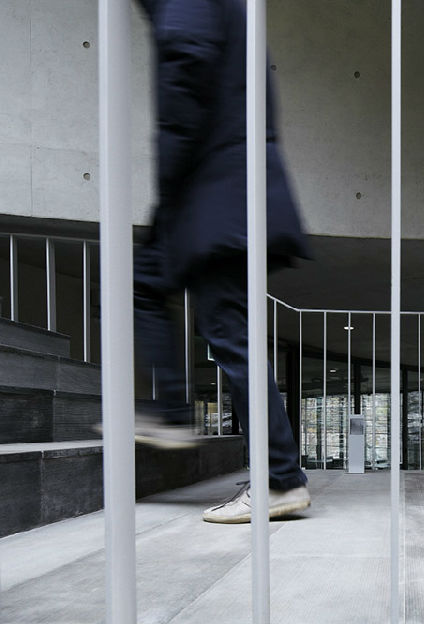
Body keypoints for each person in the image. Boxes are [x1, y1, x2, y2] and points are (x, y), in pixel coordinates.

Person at [133, 0, 311, 524]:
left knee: (227, 331)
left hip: (216, 192)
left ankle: (280, 479)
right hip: (228, 188)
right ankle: (172, 412)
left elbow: (185, 72)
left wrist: (170, 184)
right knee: (147, 286)